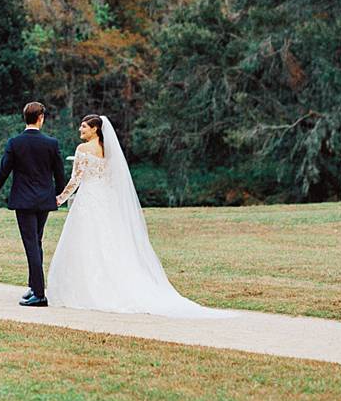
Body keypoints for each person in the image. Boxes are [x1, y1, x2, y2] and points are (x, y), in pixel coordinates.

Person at [46, 114, 232, 318]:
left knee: (85, 242)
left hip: (89, 199)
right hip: (105, 201)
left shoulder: (83, 150)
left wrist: (60, 198)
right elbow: (111, 180)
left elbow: (75, 180)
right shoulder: (108, 151)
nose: (80, 130)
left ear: (95, 129)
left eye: (83, 127)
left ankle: (86, 289)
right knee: (108, 242)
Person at [0, 101, 65, 307]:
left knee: (31, 244)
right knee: (36, 242)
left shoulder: (15, 143)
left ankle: (39, 294)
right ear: (41, 118)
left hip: (24, 201)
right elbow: (59, 174)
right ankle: (34, 286)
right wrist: (59, 195)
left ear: (25, 118)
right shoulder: (51, 143)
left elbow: (3, 172)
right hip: (44, 200)